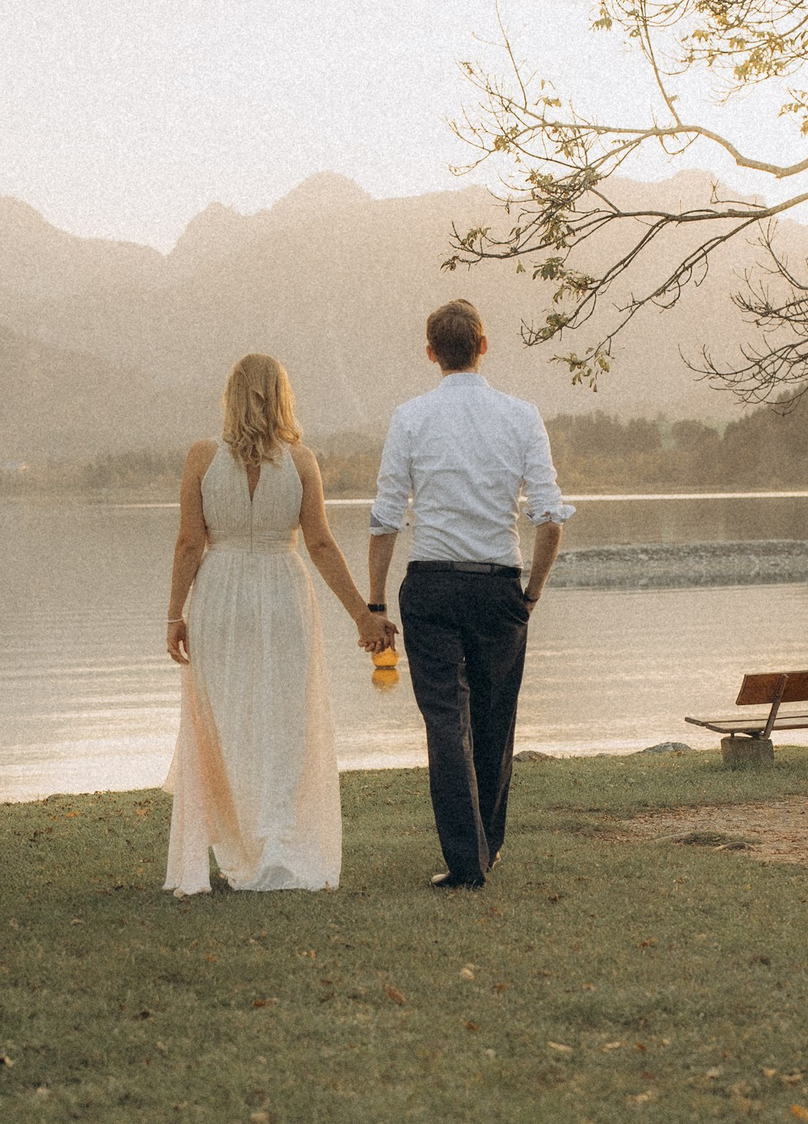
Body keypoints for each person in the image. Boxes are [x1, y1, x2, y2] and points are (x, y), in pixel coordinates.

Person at [165, 353, 393, 894]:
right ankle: (276, 842)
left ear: (232, 395)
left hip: (219, 595)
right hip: (283, 595)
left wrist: (175, 614)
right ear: (282, 396)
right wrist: (363, 615)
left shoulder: (201, 458)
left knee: (222, 720)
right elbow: (319, 543)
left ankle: (239, 846)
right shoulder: (301, 461)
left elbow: (189, 543)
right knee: (284, 721)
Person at [366, 299, 572, 890]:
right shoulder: (522, 416)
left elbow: (385, 520)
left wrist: (376, 605)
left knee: (444, 722)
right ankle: (489, 846)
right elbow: (549, 518)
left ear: (431, 352)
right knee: (493, 717)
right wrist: (530, 593)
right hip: (497, 585)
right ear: (484, 344)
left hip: (429, 585)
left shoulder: (409, 418)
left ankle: (465, 861)